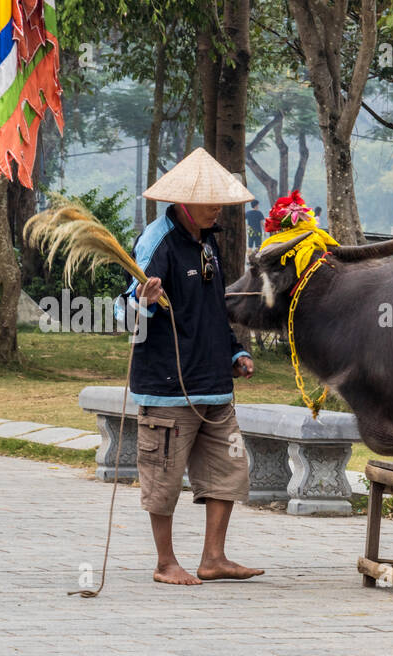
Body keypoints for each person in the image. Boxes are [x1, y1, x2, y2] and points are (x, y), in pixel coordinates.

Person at [114, 147, 265, 586]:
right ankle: (165, 563)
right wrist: (143, 300)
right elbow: (127, 312)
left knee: (229, 471)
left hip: (214, 386)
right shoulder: (156, 242)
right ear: (183, 202)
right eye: (209, 200)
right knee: (163, 479)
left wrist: (235, 352)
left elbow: (213, 309)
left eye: (221, 200)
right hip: (167, 387)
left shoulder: (208, 241)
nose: (218, 207)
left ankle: (213, 558)